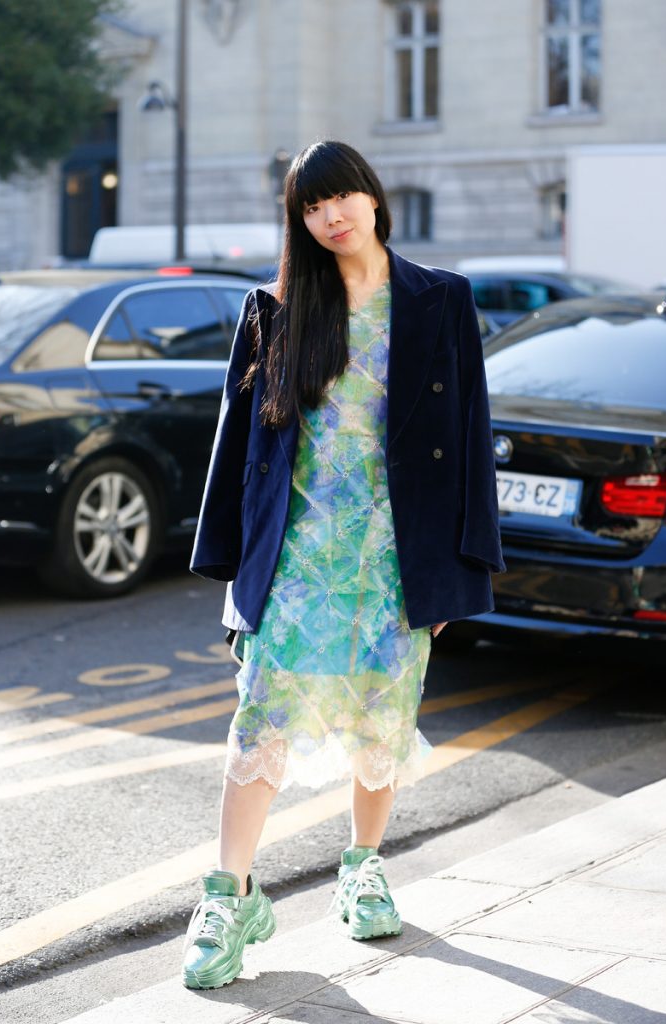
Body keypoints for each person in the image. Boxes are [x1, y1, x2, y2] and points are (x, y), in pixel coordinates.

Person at [182, 140, 504, 990]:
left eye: (340, 197)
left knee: (381, 721)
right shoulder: (277, 308)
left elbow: (469, 433)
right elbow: (239, 443)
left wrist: (461, 564)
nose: (330, 216)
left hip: (395, 556)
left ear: (371, 195)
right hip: (297, 557)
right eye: (311, 206)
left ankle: (361, 867)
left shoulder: (439, 300)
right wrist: (231, 571)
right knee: (259, 719)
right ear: (299, 220)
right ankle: (228, 897)